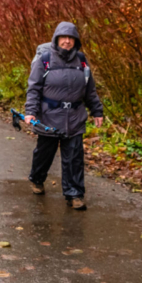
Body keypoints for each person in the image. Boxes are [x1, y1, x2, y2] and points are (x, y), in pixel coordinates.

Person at [24, 22, 104, 211]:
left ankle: (74, 194)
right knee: (44, 154)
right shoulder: (45, 60)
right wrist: (30, 111)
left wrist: (97, 111)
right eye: (63, 38)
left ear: (75, 41)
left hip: (75, 117)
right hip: (49, 118)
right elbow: (34, 88)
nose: (67, 41)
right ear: (56, 39)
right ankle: (37, 179)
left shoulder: (82, 62)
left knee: (74, 158)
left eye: (71, 38)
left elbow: (90, 90)